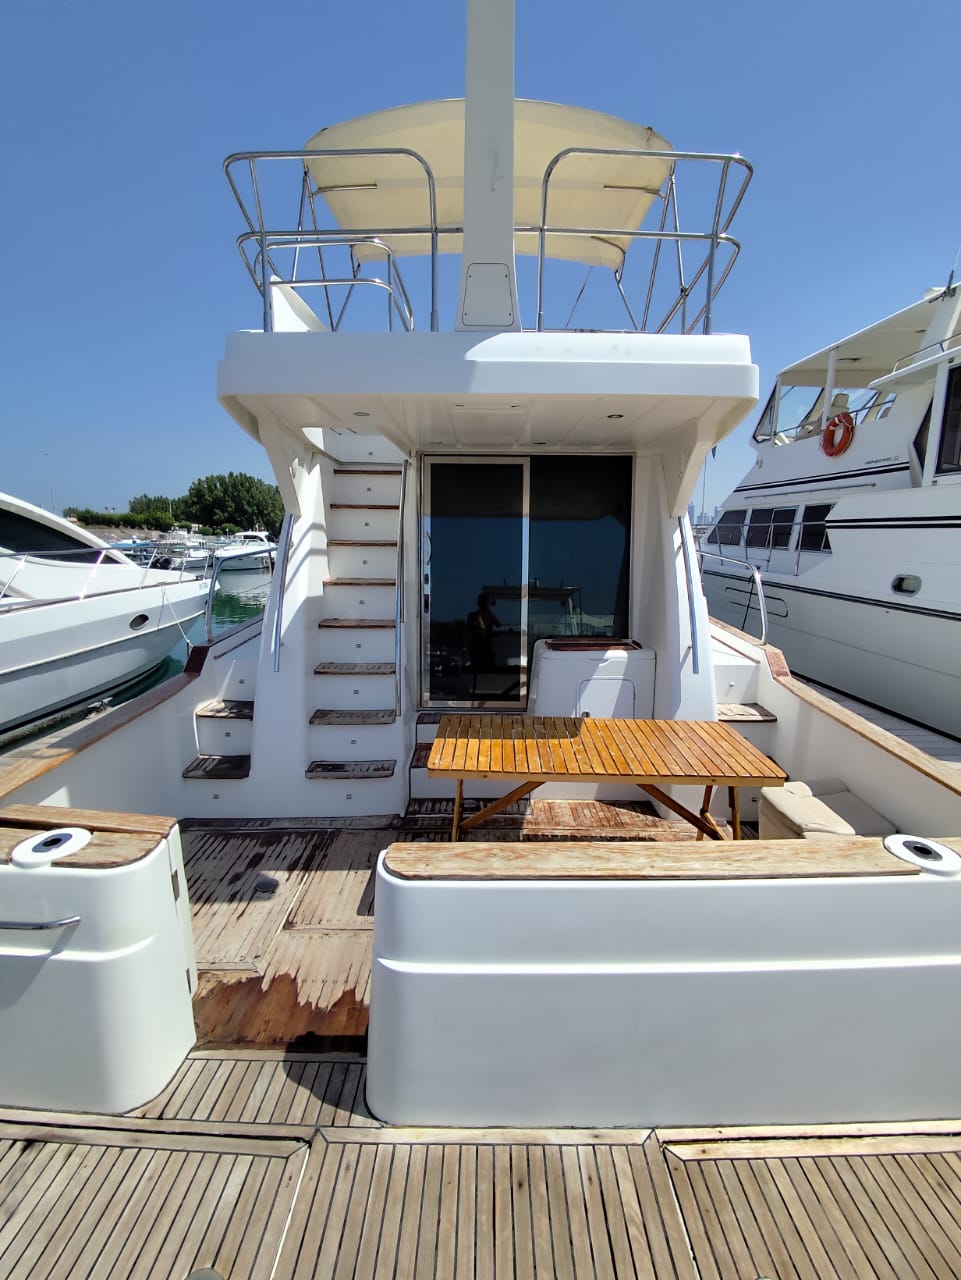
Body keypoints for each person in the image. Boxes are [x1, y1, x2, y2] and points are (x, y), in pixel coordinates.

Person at [466, 592, 500, 672]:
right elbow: (477, 630)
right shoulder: (474, 616)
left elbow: (498, 624)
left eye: (487, 602)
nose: (487, 605)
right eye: (486, 602)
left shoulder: (489, 615)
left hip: (487, 649)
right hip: (479, 649)